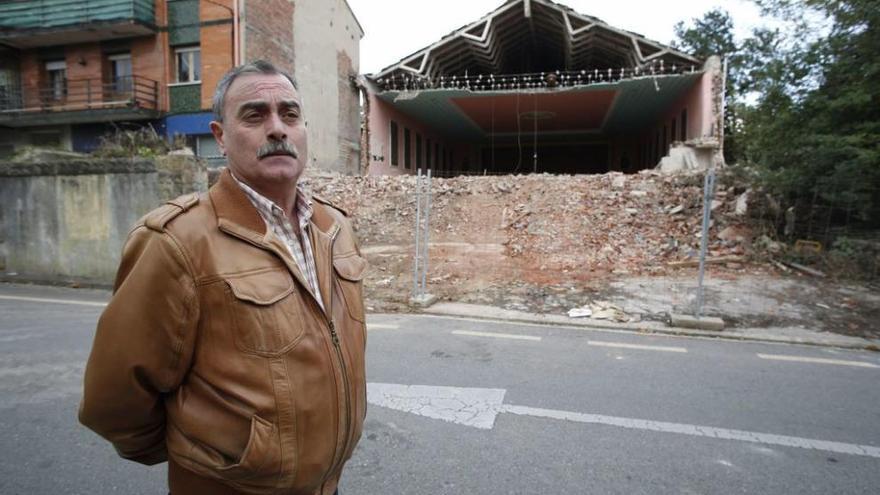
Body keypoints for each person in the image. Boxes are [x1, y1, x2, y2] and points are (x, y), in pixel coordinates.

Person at [79, 60, 368, 495]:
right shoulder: (178, 240)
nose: (277, 129)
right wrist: (202, 454)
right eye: (255, 115)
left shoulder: (335, 228)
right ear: (220, 136)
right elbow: (113, 399)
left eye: (289, 114)